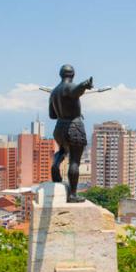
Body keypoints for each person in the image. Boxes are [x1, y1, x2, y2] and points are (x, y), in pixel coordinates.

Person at [49, 64, 93, 202]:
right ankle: (73, 195)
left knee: (62, 150)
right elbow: (75, 90)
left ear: (60, 74)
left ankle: (55, 166)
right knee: (74, 161)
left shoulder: (54, 92)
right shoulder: (69, 87)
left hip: (59, 128)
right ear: (73, 75)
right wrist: (85, 85)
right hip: (74, 127)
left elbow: (52, 115)